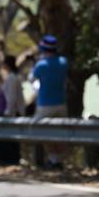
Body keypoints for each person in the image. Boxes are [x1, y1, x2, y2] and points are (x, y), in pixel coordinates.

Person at [31, 35, 68, 169]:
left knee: (40, 130)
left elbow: (32, 79)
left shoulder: (41, 65)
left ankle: (53, 159)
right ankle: (58, 160)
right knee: (59, 132)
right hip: (61, 102)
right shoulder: (63, 62)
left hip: (45, 103)